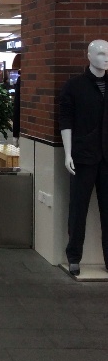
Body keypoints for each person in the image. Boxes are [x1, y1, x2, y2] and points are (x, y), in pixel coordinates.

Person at [60, 39, 108, 276]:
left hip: (106, 159)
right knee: (78, 208)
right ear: (88, 56)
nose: (105, 58)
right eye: (100, 53)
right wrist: (68, 152)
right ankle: (74, 256)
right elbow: (66, 119)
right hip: (82, 155)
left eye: (107, 53)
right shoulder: (75, 86)